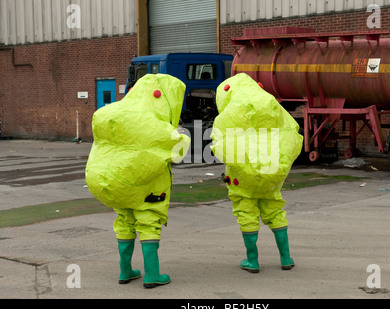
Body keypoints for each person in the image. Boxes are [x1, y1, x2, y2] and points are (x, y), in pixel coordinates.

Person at [85, 74, 190, 288]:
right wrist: (181, 133)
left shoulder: (107, 112)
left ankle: (126, 271)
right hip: (146, 187)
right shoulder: (156, 124)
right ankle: (152, 275)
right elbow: (179, 152)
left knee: (124, 221)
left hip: (114, 180)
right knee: (148, 223)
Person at [211, 73, 303, 273]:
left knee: (247, 212)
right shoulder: (272, 104)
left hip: (243, 176)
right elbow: (293, 133)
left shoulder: (231, 111)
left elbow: (220, 143)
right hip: (273, 172)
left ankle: (252, 260)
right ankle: (286, 257)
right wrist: (283, 162)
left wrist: (237, 162)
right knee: (275, 210)